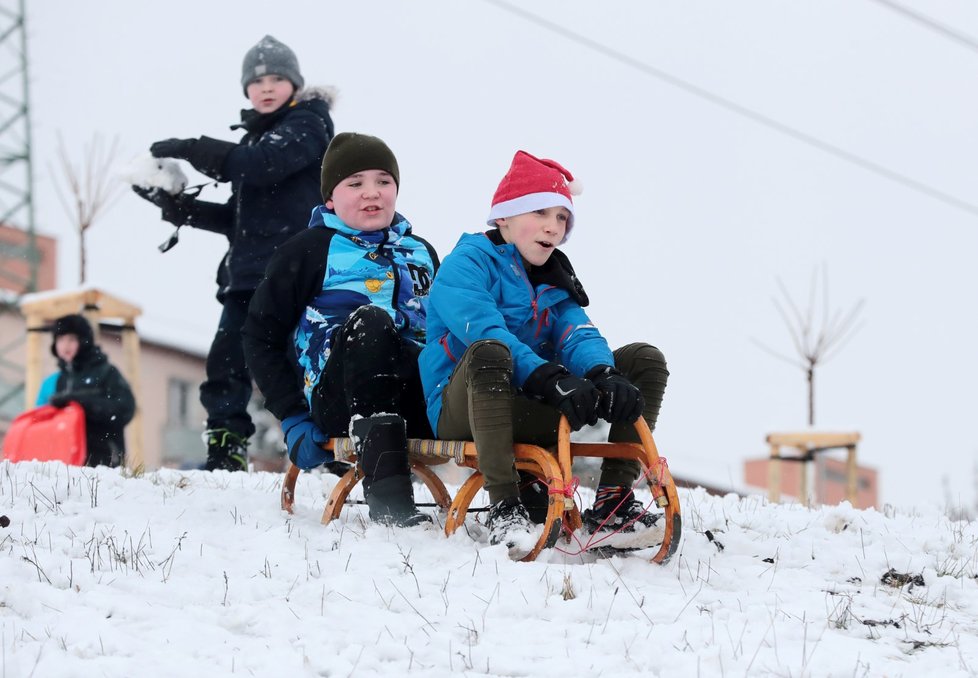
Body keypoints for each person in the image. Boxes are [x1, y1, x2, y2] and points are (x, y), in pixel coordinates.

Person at [418, 150, 670, 558]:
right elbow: (482, 329)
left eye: (562, 218)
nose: (554, 227)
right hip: (465, 406)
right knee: (490, 351)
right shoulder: (465, 264)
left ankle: (613, 504)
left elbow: (576, 332)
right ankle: (504, 506)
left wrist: (603, 372)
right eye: (541, 212)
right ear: (504, 216)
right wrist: (546, 377)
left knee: (643, 359)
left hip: (531, 402)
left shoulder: (553, 275)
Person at [133, 35, 335, 471]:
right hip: (247, 276)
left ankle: (329, 454)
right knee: (227, 364)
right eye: (257, 80)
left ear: (295, 85)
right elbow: (237, 220)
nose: (266, 87)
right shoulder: (257, 141)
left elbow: (261, 166)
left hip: (293, 276)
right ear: (246, 89)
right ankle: (225, 450)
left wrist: (192, 148)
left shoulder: (307, 126)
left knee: (302, 366)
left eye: (277, 78)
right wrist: (178, 207)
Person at [242, 132, 439, 526]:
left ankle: (523, 501)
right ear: (330, 197)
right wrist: (292, 415)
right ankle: (389, 501)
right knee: (371, 322)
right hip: (341, 398)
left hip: (418, 400)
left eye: (384, 181)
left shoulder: (421, 252)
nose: (372, 193)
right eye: (356, 183)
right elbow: (260, 335)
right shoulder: (310, 249)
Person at [35, 314, 136, 468]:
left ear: (84, 341)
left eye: (71, 339)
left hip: (104, 463)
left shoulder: (106, 373)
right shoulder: (59, 380)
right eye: (60, 340)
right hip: (67, 463)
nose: (65, 346)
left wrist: (81, 402)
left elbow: (125, 409)